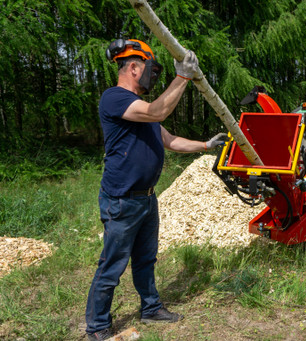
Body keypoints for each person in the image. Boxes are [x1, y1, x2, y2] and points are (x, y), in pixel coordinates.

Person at [85, 39, 228, 340]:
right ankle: (97, 326)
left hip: (148, 199)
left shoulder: (142, 110)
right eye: (150, 69)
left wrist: (205, 146)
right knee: (112, 265)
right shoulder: (115, 99)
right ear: (134, 67)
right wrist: (183, 77)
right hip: (122, 201)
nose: (153, 76)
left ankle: (150, 308)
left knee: (146, 260)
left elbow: (170, 140)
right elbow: (156, 113)